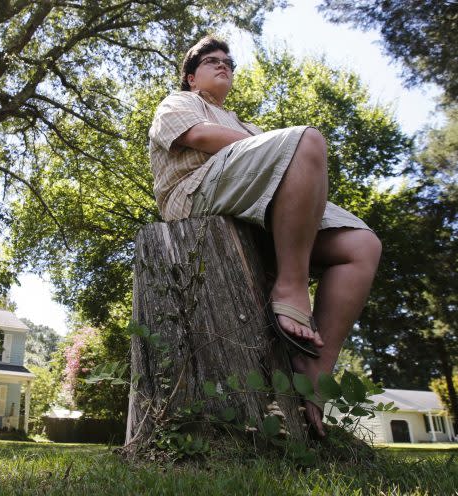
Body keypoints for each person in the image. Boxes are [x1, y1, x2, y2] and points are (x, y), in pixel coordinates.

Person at [148, 36, 382, 437]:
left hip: (252, 211)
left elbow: (288, 168)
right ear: (190, 77)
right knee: (307, 140)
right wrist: (291, 153)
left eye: (229, 62)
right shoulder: (179, 102)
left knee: (363, 245)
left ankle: (315, 370)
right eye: (211, 61)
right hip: (193, 197)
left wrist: (291, 158)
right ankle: (291, 290)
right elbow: (201, 138)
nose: (223, 65)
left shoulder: (247, 125)